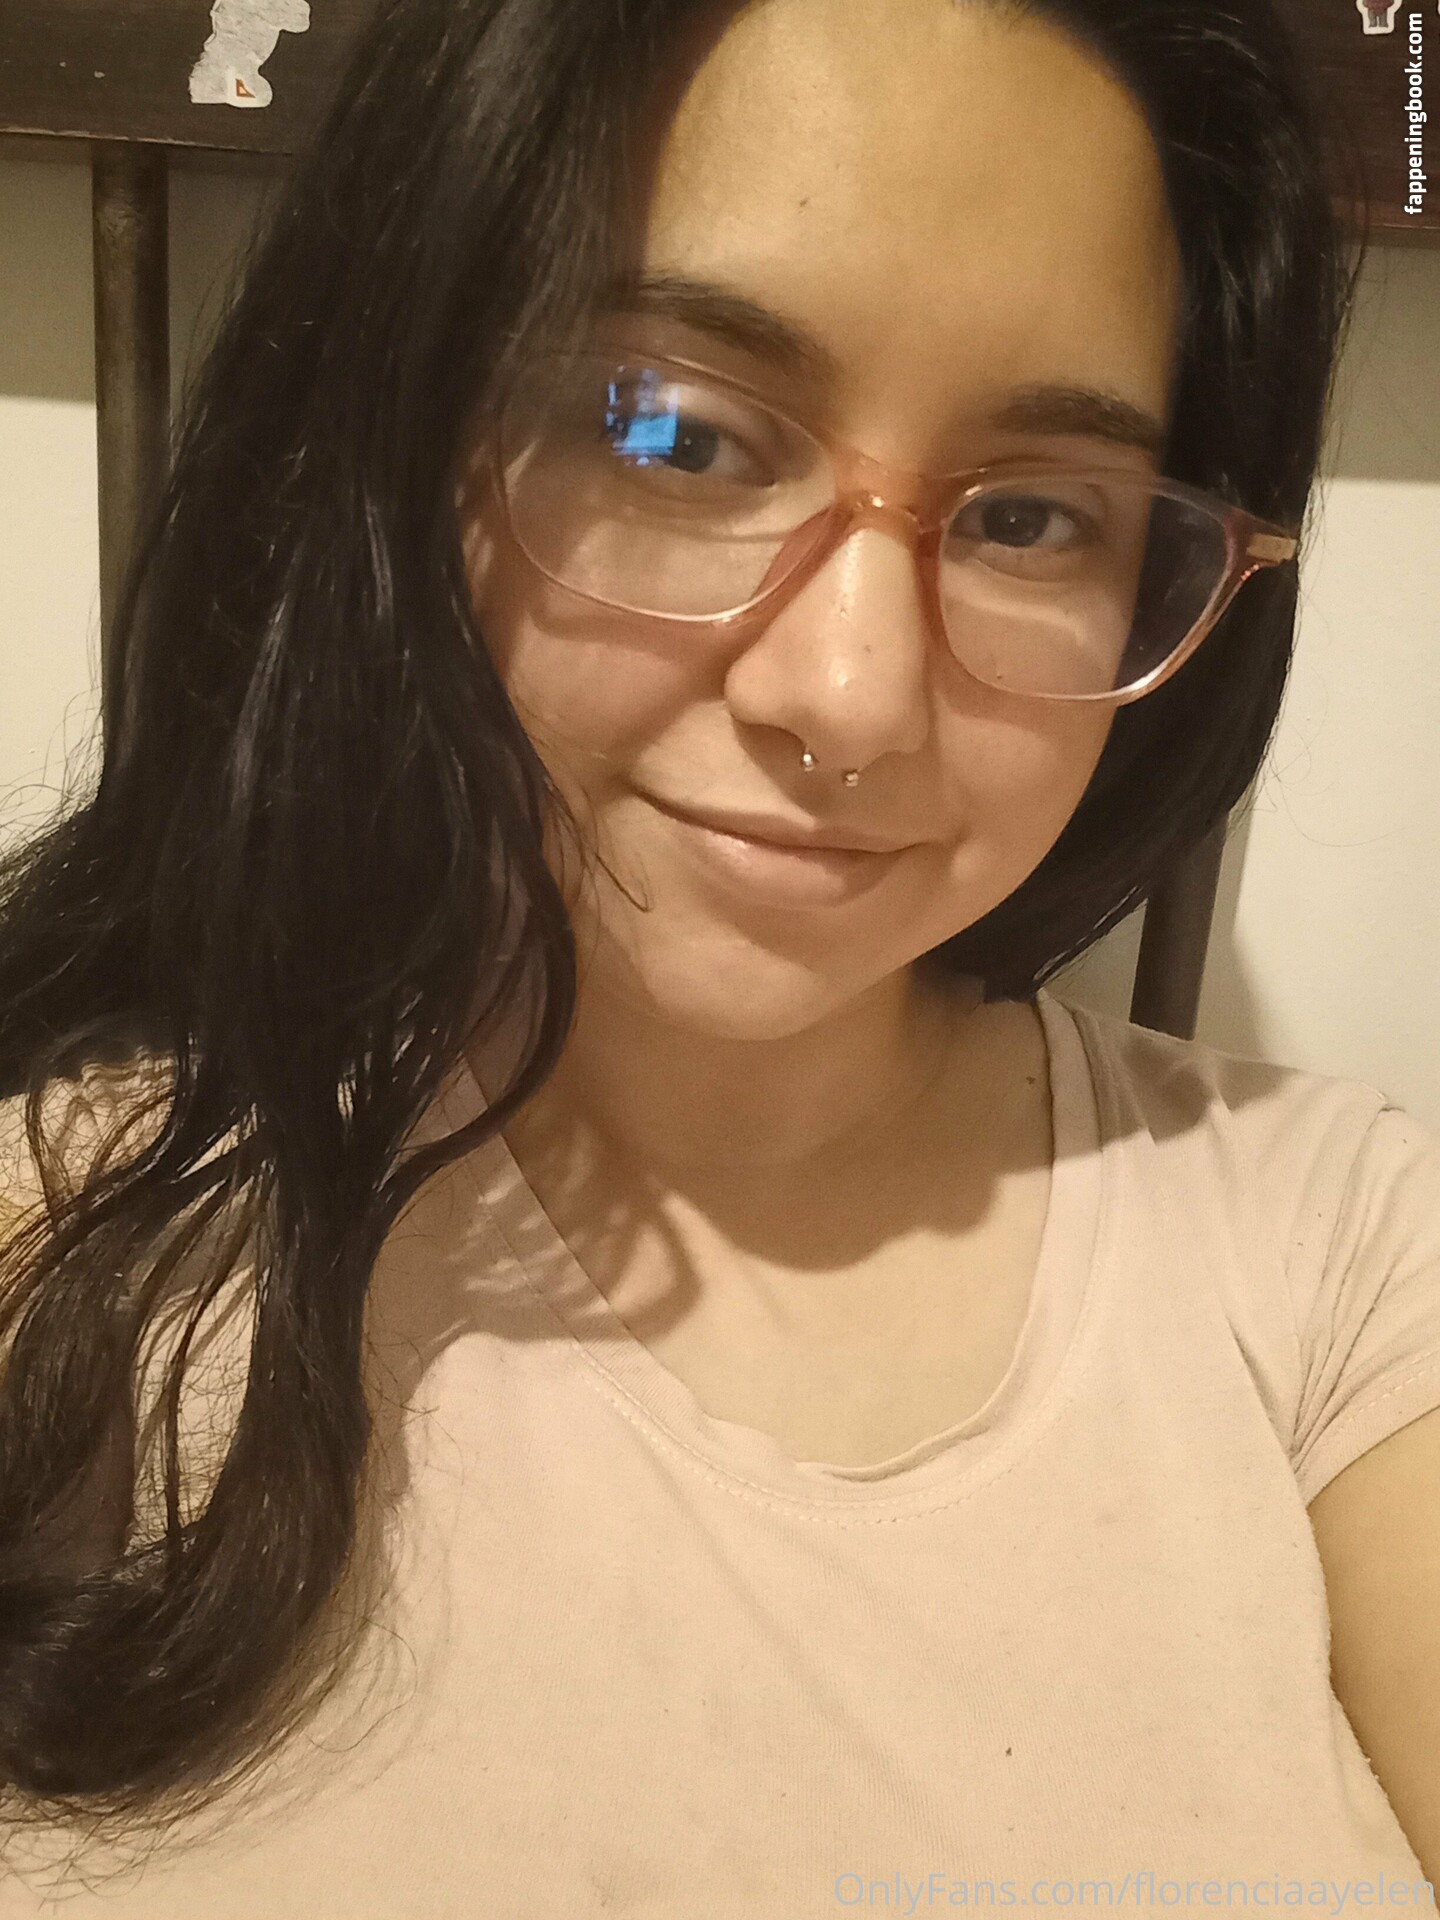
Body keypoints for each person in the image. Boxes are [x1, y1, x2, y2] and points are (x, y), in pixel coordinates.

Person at [1, 0, 1437, 1911]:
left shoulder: (1337, 1250)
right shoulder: (79, 1235)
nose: (852, 695)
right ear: (402, 435)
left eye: (1029, 518)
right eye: (674, 433)